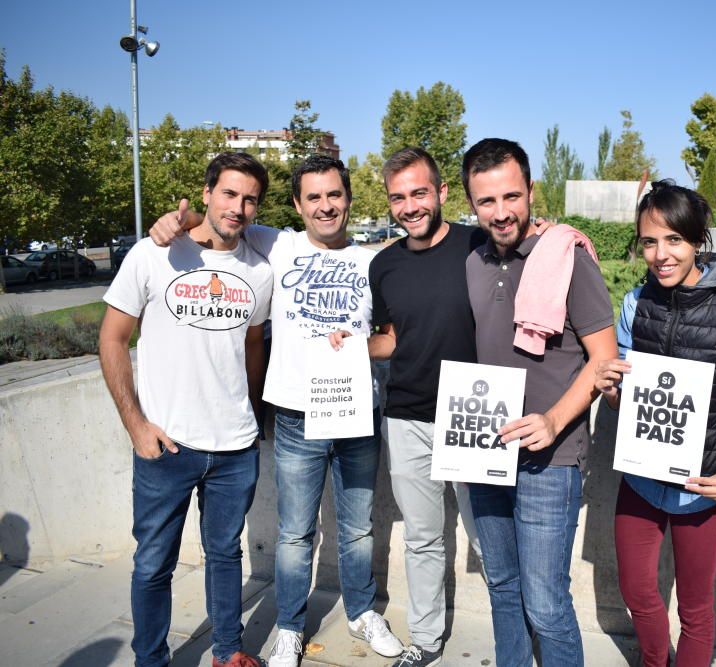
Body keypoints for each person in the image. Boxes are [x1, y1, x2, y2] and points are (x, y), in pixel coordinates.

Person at [149, 155, 403, 667]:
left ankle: (361, 612)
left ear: (349, 199)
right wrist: (177, 220)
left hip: (356, 413)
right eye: (313, 197)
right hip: (295, 417)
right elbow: (221, 218)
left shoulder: (374, 261)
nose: (325, 206)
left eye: (334, 195)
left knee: (357, 527)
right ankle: (289, 625)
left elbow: (392, 340)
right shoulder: (277, 244)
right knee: (294, 532)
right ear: (296, 204)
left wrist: (358, 346)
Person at [99, 152, 274, 667]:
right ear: (205, 193)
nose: (238, 207)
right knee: (153, 564)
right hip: (167, 445)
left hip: (235, 448)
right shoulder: (154, 255)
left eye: (249, 199)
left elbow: (253, 344)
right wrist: (136, 425)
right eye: (228, 193)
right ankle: (151, 660)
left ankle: (227, 652)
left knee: (226, 556)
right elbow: (111, 340)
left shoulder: (259, 272)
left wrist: (252, 411)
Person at [594, 181, 716, 667]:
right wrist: (612, 391)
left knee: (695, 609)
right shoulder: (634, 303)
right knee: (637, 591)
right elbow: (623, 403)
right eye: (649, 241)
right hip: (642, 480)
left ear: (698, 240)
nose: (661, 254)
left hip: (703, 486)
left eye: (674, 240)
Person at [461, 138, 618, 666]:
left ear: (531, 191)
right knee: (502, 587)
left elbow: (604, 361)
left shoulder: (566, 256)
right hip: (485, 454)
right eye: (486, 201)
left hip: (552, 461)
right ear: (471, 203)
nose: (501, 213)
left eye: (511, 196)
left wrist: (552, 420)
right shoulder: (475, 261)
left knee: (547, 605)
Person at [344, 146, 485, 667]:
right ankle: (426, 641)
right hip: (406, 416)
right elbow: (392, 338)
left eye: (419, 193)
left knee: (489, 537)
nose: (410, 206)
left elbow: (535, 253)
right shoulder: (383, 265)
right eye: (398, 197)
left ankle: (516, 632)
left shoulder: (479, 244)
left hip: (473, 414)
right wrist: (347, 347)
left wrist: (566, 236)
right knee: (423, 539)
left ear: (442, 193)